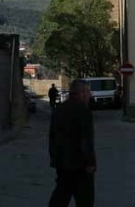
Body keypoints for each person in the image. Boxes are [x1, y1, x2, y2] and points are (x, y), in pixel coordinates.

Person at [49, 79, 96, 207]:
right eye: (87, 92)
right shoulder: (83, 110)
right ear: (79, 93)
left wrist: (54, 157)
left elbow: (52, 136)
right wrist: (90, 162)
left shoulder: (59, 109)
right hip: (80, 164)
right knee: (85, 200)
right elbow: (86, 138)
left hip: (63, 162)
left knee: (60, 197)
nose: (89, 95)